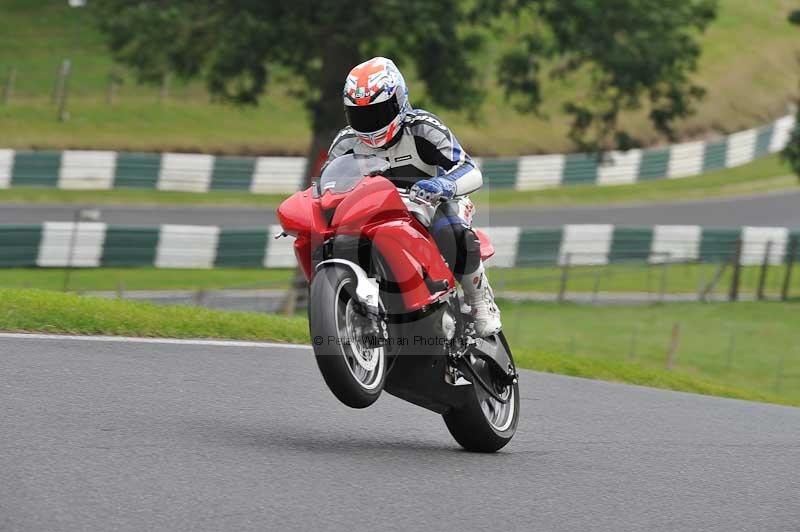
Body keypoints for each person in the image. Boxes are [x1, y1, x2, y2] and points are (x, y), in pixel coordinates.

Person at [323, 56, 501, 337]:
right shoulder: (345, 142)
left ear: (400, 100)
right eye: (361, 115)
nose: (370, 123)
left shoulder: (423, 127)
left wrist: (443, 185)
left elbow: (469, 169)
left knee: (451, 229)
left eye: (378, 112)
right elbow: (328, 186)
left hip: (433, 203)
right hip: (374, 212)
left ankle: (479, 300)